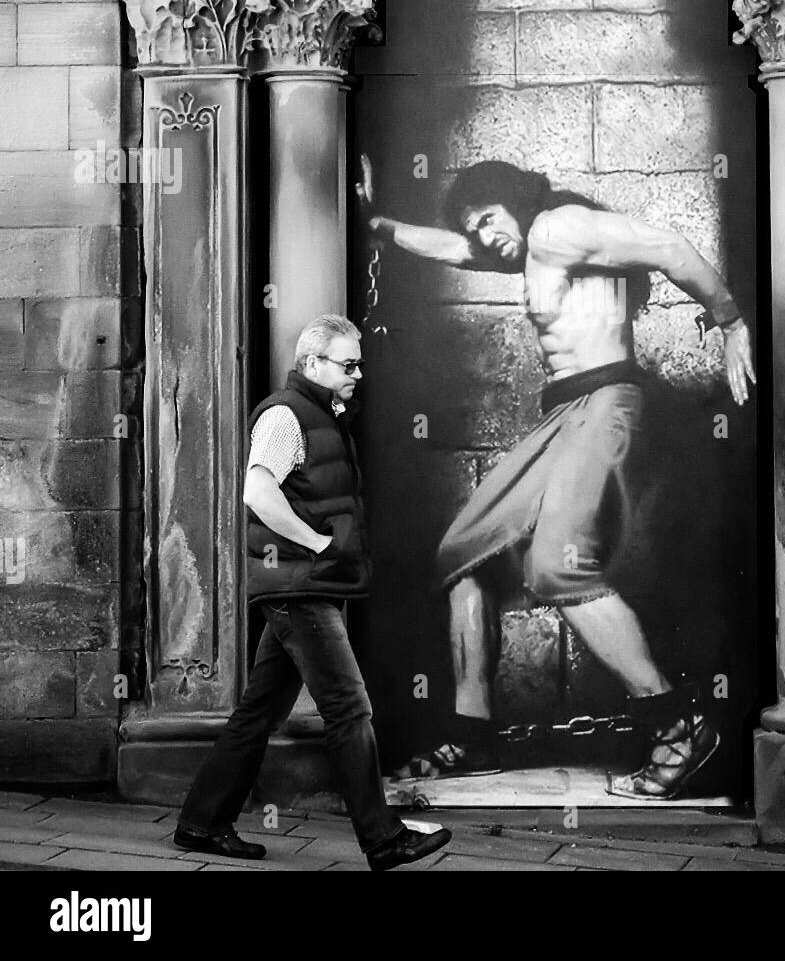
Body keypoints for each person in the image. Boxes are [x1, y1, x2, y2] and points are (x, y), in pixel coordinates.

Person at [358, 158, 755, 798]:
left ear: (514, 201)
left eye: (489, 219)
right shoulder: (526, 248)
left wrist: (731, 320)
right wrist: (375, 223)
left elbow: (668, 247)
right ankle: (474, 733)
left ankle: (678, 725)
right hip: (565, 413)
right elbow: (455, 249)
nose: (485, 237)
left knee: (557, 568)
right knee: (463, 554)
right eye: (478, 228)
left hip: (605, 402)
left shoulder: (557, 228)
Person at [173, 314, 451, 870]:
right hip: (299, 589)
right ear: (311, 363)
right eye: (348, 364)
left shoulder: (323, 416)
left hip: (305, 585)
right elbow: (257, 489)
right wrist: (317, 544)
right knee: (350, 707)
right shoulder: (284, 414)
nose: (358, 373)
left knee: (259, 712)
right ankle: (383, 839)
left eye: (359, 363)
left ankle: (202, 823)